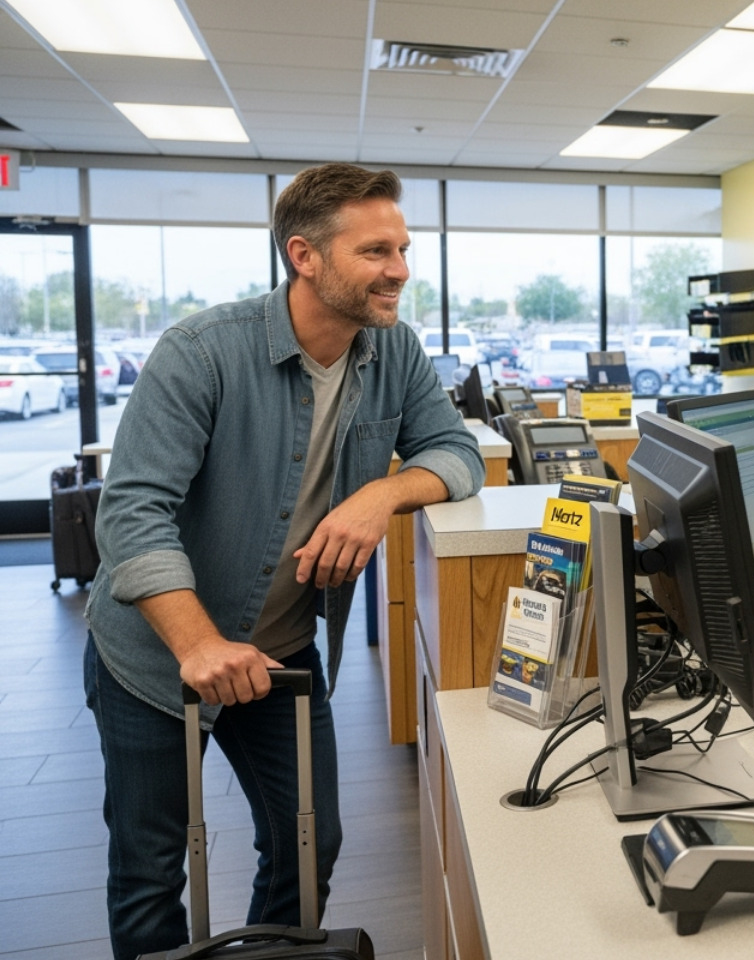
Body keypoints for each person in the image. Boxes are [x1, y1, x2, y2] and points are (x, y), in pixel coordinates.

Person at [83, 163, 486, 960]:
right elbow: (131, 514)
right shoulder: (201, 352)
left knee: (308, 845)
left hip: (280, 651)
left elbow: (457, 452)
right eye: (375, 252)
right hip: (158, 655)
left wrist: (380, 495)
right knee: (149, 868)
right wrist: (199, 643)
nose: (400, 270)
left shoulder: (394, 349)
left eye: (403, 249)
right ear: (304, 256)